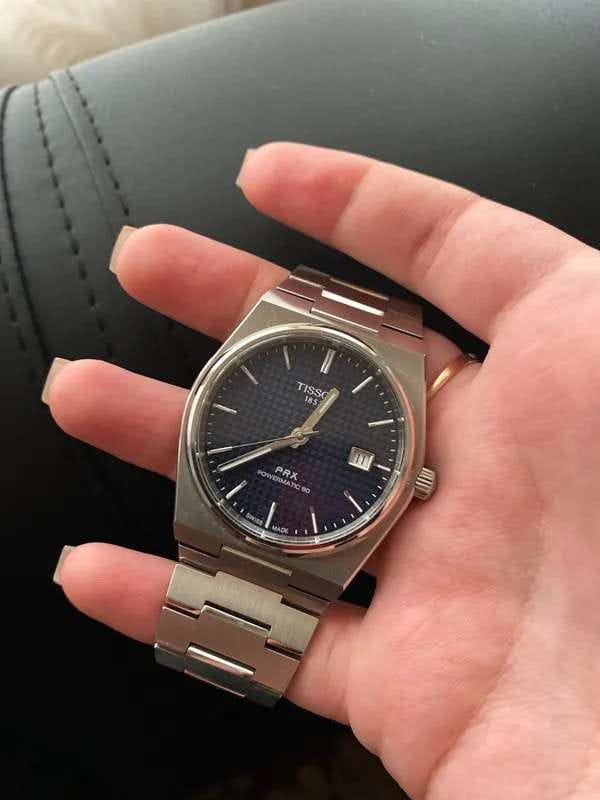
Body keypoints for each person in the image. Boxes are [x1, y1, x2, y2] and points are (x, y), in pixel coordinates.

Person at [43, 143, 600, 799]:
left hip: (307, 537)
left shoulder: (391, 459)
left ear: (412, 482)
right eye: (297, 435)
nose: (300, 439)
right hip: (230, 505)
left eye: (305, 439)